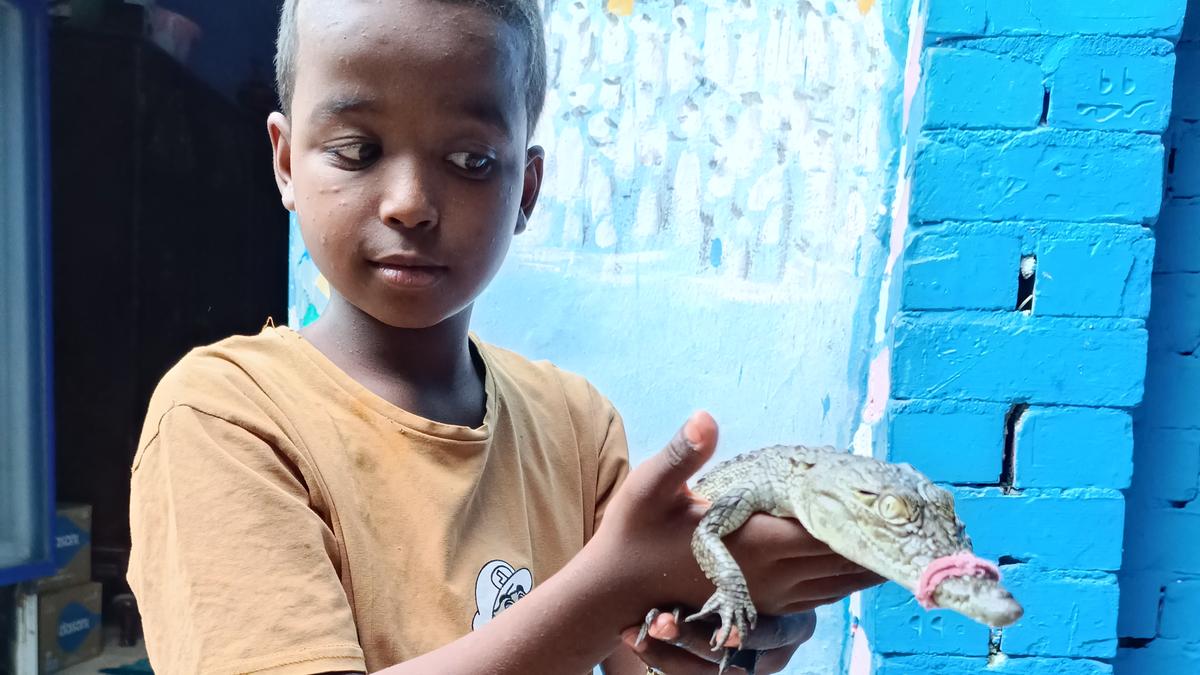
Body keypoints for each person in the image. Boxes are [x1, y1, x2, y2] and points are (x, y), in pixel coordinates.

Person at [126, 0, 882, 673]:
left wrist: (726, 633)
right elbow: (601, 598)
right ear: (287, 161)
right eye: (358, 150)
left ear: (525, 188)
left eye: (470, 160)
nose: (411, 204)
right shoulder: (225, 419)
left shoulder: (575, 425)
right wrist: (612, 585)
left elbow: (641, 653)